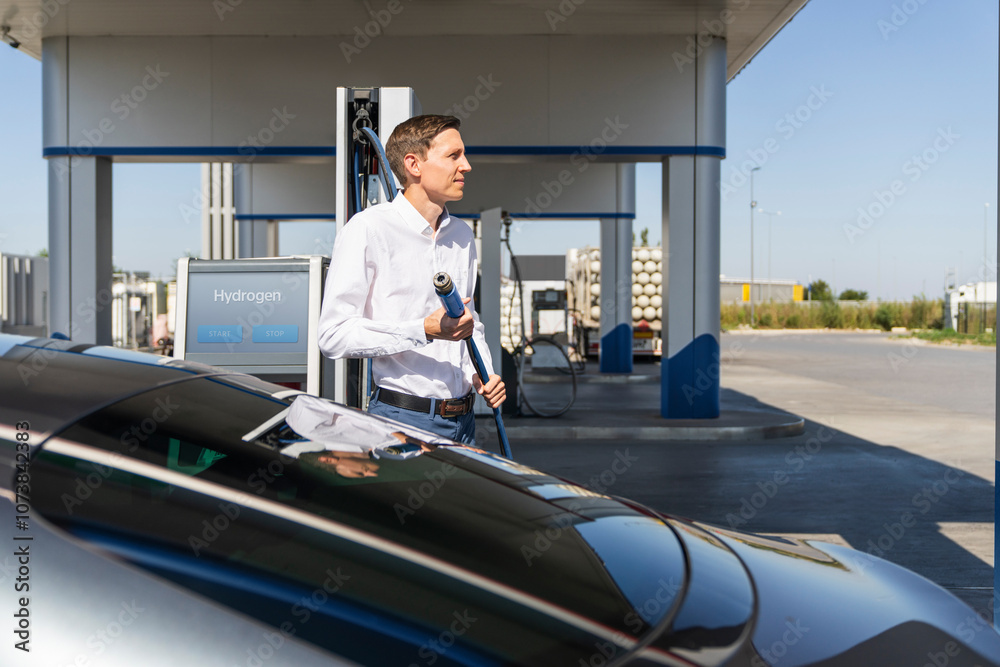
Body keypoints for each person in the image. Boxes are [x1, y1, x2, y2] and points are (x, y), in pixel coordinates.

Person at [318, 114, 505, 445]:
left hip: (465, 421)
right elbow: (333, 336)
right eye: (453, 156)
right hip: (402, 422)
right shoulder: (368, 230)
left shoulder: (462, 235)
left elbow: (469, 321)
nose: (467, 166)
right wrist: (423, 330)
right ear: (413, 164)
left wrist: (483, 372)